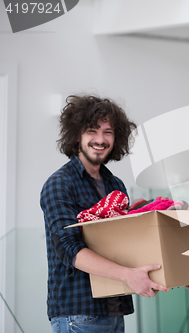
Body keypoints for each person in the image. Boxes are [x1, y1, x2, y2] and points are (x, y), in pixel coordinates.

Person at [41, 94, 169, 333]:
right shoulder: (59, 184)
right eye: (92, 130)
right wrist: (128, 275)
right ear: (76, 135)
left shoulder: (116, 185)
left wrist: (172, 271)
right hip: (78, 315)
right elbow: (69, 249)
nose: (100, 139)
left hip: (114, 310)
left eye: (108, 132)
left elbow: (125, 245)